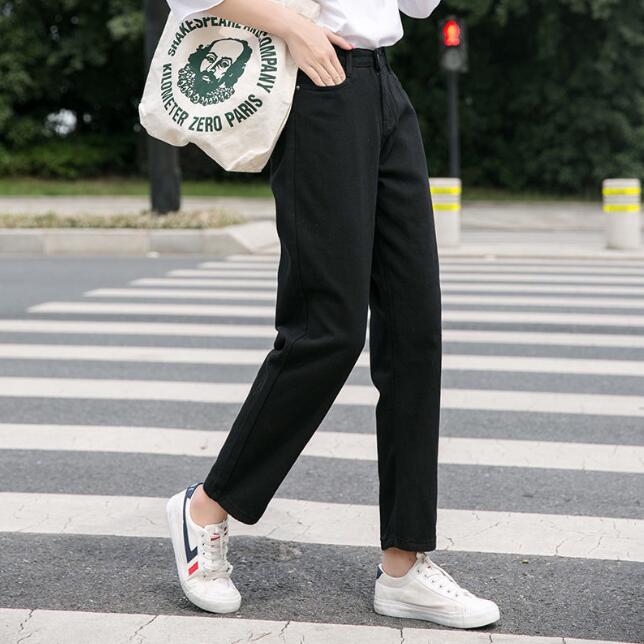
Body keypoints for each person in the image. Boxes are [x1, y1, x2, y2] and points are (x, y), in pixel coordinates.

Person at [164, 0, 501, 630]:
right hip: (313, 86)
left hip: (384, 87)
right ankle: (207, 507)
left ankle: (404, 565)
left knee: (415, 331)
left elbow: (417, 6)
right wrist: (293, 27)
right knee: (327, 329)